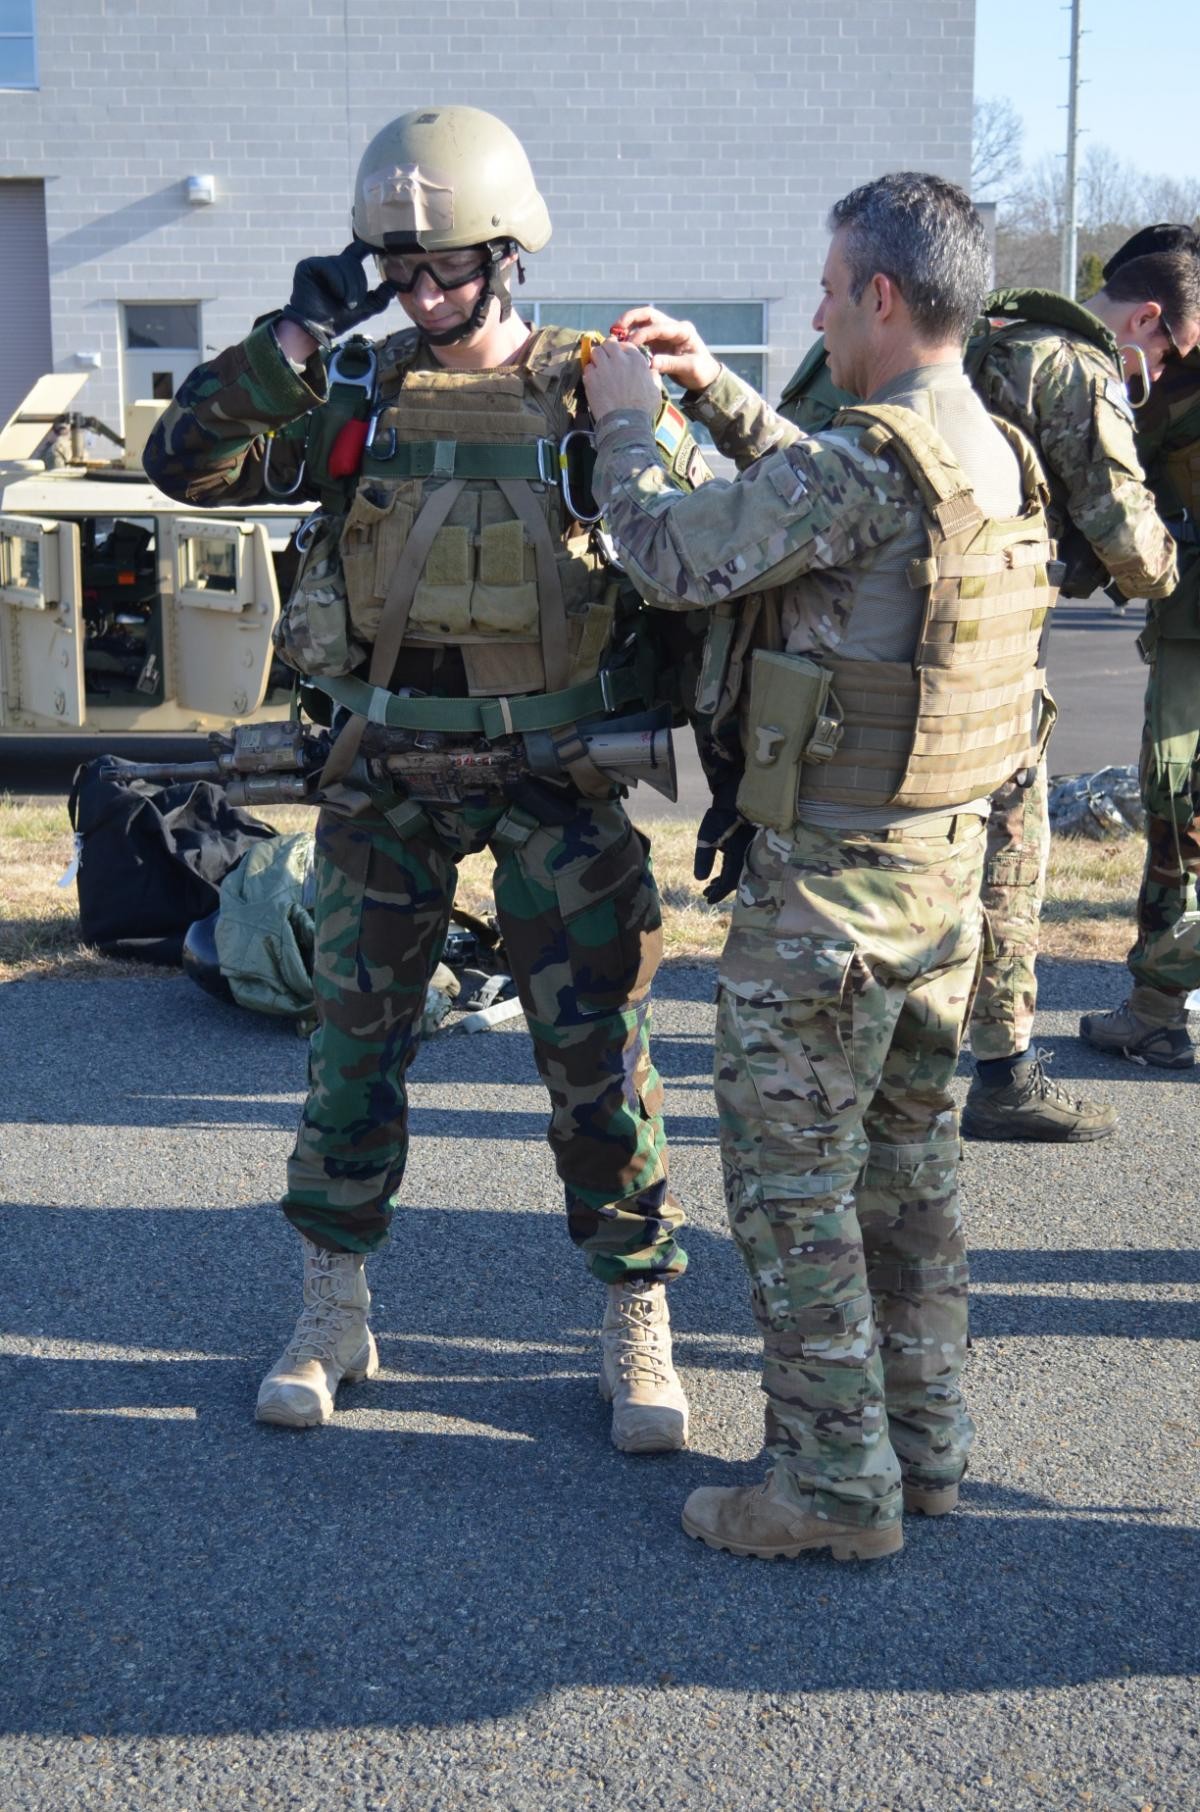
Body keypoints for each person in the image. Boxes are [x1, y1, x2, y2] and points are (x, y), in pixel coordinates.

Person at [146, 105, 705, 1452]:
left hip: (558, 766)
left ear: (507, 253)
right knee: (353, 1050)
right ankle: (334, 1307)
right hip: (382, 767)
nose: (422, 290)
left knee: (600, 1061)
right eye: (398, 269)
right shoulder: (355, 389)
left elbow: (693, 571)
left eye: (446, 265)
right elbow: (185, 465)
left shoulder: (596, 386)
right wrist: (295, 339)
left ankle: (637, 1317)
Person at [583, 172, 1053, 1560]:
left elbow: (673, 553)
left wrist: (628, 431)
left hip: (830, 911)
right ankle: (924, 1447)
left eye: (831, 288)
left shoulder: (861, 471)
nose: (817, 308)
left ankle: (831, 1492)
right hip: (942, 893)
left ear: (882, 297)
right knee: (910, 1186)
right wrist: (718, 393)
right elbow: (826, 504)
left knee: (795, 1203)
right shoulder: (990, 449)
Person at [775, 252, 1200, 1141]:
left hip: (824, 648)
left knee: (840, 856)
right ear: (1149, 322)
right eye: (1179, 351)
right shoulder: (1072, 364)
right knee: (1008, 853)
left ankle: (815, 1069)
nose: (1168, 375)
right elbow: (1135, 550)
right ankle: (1003, 1075)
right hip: (970, 660)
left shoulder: (936, 330)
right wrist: (1167, 550)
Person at [1080, 226, 1200, 1068]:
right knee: (1175, 810)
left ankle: (1159, 993)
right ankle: (1157, 1010)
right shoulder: (1162, 382)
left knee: (1180, 804)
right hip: (1187, 625)